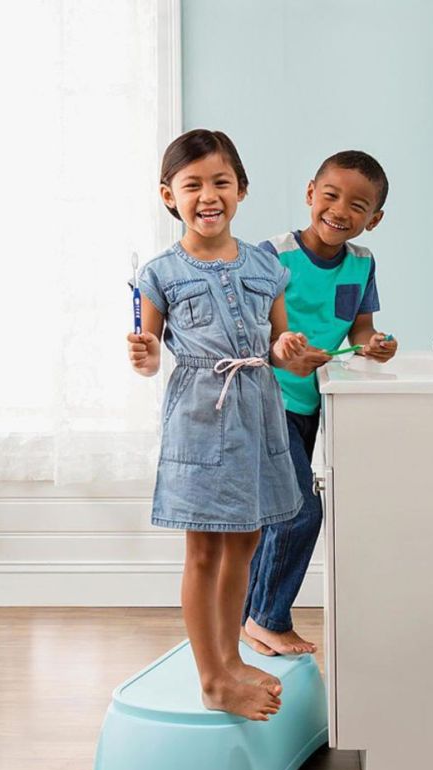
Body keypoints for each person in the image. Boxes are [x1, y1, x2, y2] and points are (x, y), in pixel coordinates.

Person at [127, 129, 309, 721]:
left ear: (242, 189)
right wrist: (146, 356)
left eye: (221, 182)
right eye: (193, 184)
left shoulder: (265, 264)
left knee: (247, 544)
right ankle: (210, 677)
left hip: (259, 409)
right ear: (168, 196)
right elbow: (153, 351)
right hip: (201, 416)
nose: (209, 195)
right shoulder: (160, 273)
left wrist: (288, 347)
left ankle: (230, 660)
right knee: (204, 548)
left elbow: (276, 343)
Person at [242, 150, 398, 656]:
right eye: (330, 195)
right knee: (299, 512)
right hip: (268, 400)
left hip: (314, 404)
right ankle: (267, 618)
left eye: (357, 205)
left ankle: (247, 619)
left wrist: (376, 345)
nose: (340, 210)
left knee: (278, 517)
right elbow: (250, 333)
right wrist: (280, 349)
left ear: (372, 220)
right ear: (311, 194)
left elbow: (362, 329)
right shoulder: (272, 254)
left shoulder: (362, 262)